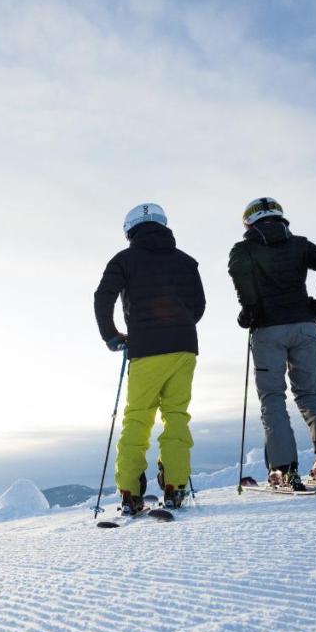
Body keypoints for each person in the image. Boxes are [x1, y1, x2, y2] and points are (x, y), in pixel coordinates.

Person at [228, 196, 316, 490]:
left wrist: (249, 311)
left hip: (268, 331)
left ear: (248, 222)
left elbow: (239, 275)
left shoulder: (243, 249)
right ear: (280, 217)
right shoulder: (299, 244)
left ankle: (283, 469)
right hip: (304, 326)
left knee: (272, 399)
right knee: (310, 393)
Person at [94, 202, 206, 512]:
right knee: (176, 415)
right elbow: (198, 306)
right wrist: (179, 326)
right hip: (184, 347)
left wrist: (111, 336)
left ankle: (130, 491)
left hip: (145, 349)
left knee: (138, 417)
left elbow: (103, 296)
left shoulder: (124, 260)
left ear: (130, 231)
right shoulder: (186, 262)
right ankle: (175, 485)